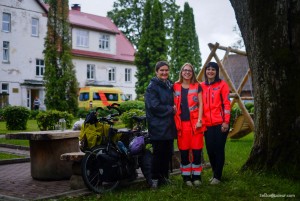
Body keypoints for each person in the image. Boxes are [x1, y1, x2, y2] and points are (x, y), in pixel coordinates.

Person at [145, 61, 177, 188]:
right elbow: (154, 106)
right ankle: (154, 179)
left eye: (166, 70)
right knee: (158, 154)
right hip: (157, 126)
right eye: (161, 70)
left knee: (167, 153)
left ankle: (164, 177)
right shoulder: (152, 87)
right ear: (156, 72)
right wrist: (171, 109)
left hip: (168, 125)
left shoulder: (168, 85)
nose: (164, 73)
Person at [173, 63, 206, 187]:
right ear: (181, 72)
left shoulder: (197, 86)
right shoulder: (175, 86)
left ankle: (197, 177)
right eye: (185, 70)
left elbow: (201, 104)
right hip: (182, 125)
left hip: (195, 125)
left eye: (190, 71)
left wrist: (199, 120)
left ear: (193, 73)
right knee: (184, 153)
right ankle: (186, 178)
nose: (187, 72)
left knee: (197, 152)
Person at [201, 61, 231, 185]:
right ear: (205, 71)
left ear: (216, 71)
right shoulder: (201, 86)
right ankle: (214, 173)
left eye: (213, 69)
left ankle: (218, 176)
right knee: (210, 150)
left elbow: (227, 104)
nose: (210, 71)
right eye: (208, 69)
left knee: (219, 149)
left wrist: (226, 122)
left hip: (220, 124)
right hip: (207, 125)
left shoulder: (222, 85)